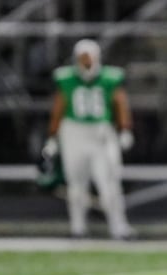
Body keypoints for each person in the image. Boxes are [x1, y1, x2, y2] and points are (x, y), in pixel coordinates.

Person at [43, 39, 135, 240]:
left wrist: (125, 129)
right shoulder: (66, 78)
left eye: (89, 57)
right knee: (75, 184)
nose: (87, 62)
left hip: (101, 132)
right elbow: (59, 107)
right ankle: (78, 227)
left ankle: (118, 226)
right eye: (83, 57)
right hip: (74, 132)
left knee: (110, 182)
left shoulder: (110, 77)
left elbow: (120, 103)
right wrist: (53, 137)